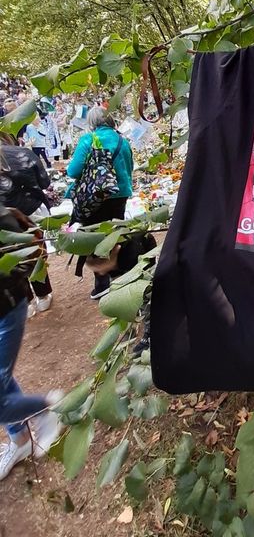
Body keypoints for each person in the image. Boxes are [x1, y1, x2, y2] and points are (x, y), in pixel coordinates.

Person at [0, 204, 62, 480]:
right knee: (1, 379)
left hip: (6, 312)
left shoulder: (3, 218)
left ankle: (45, 407)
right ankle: (20, 439)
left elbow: (28, 260)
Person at [67, 107, 134, 300]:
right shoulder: (122, 140)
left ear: (92, 123)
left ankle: (102, 283)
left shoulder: (89, 139)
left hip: (96, 195)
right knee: (115, 233)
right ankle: (120, 276)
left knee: (96, 236)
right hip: (120, 194)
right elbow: (130, 167)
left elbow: (73, 171)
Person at [0, 134, 54, 314]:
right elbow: (45, 182)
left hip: (4, 216)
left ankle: (27, 301)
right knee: (35, 252)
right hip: (30, 210)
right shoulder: (23, 153)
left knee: (11, 255)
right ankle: (43, 296)